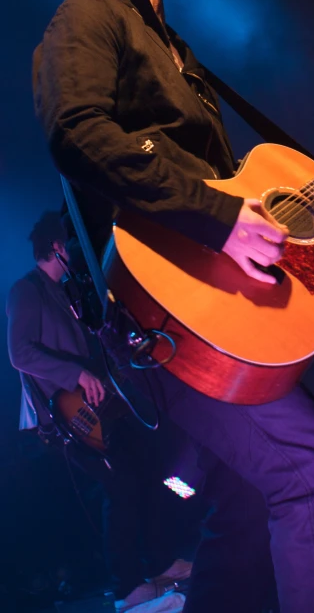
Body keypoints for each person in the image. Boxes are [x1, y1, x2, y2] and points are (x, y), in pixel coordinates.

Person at [32, 0, 314, 613]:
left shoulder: (174, 48)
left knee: (242, 500)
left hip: (204, 298)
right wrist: (219, 218)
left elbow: (246, 195)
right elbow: (75, 131)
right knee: (310, 467)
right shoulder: (87, 16)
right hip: (163, 304)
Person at [6, 211, 193, 612]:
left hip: (101, 404)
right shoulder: (26, 290)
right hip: (68, 415)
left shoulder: (68, 292)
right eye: (69, 244)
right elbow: (19, 352)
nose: (76, 250)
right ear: (57, 247)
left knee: (150, 471)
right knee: (121, 487)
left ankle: (160, 564)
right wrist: (74, 373)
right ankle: (126, 587)